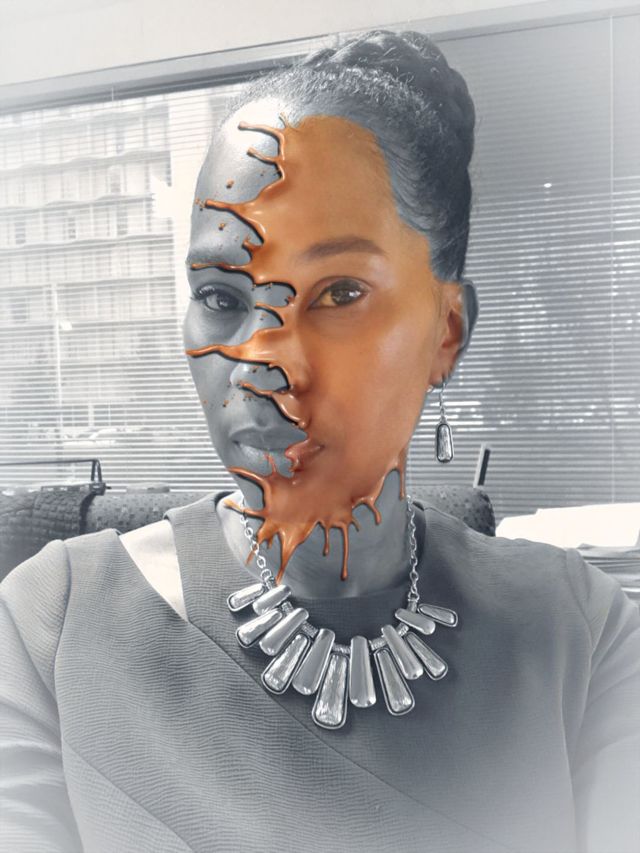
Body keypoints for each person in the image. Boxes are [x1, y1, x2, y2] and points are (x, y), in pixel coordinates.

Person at [1, 29, 639, 853]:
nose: (264, 363)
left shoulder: (581, 633)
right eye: (221, 297)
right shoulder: (49, 628)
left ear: (447, 331)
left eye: (339, 292)